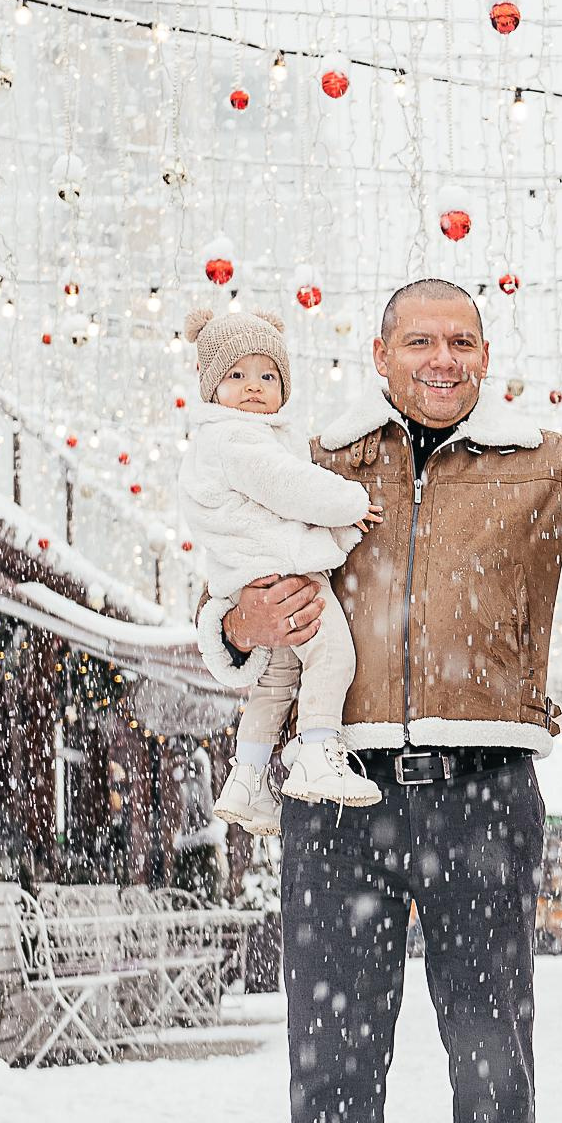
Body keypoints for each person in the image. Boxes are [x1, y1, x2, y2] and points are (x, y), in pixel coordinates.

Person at [196, 281, 562, 1123]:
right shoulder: (316, 458)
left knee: (493, 1065)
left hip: (485, 793)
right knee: (335, 1067)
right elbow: (221, 595)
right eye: (420, 340)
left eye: (461, 341)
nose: (441, 358)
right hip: (335, 790)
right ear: (381, 351)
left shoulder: (543, 461)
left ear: (486, 353)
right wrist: (239, 626)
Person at [176, 307, 386, 833]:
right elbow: (292, 488)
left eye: (268, 375)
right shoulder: (238, 440)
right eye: (236, 375)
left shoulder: (242, 438)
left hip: (257, 573)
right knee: (333, 655)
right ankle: (318, 751)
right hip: (286, 577)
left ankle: (246, 779)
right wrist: (350, 503)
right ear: (210, 386)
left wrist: (338, 531)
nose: (253, 387)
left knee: (277, 678)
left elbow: (278, 510)